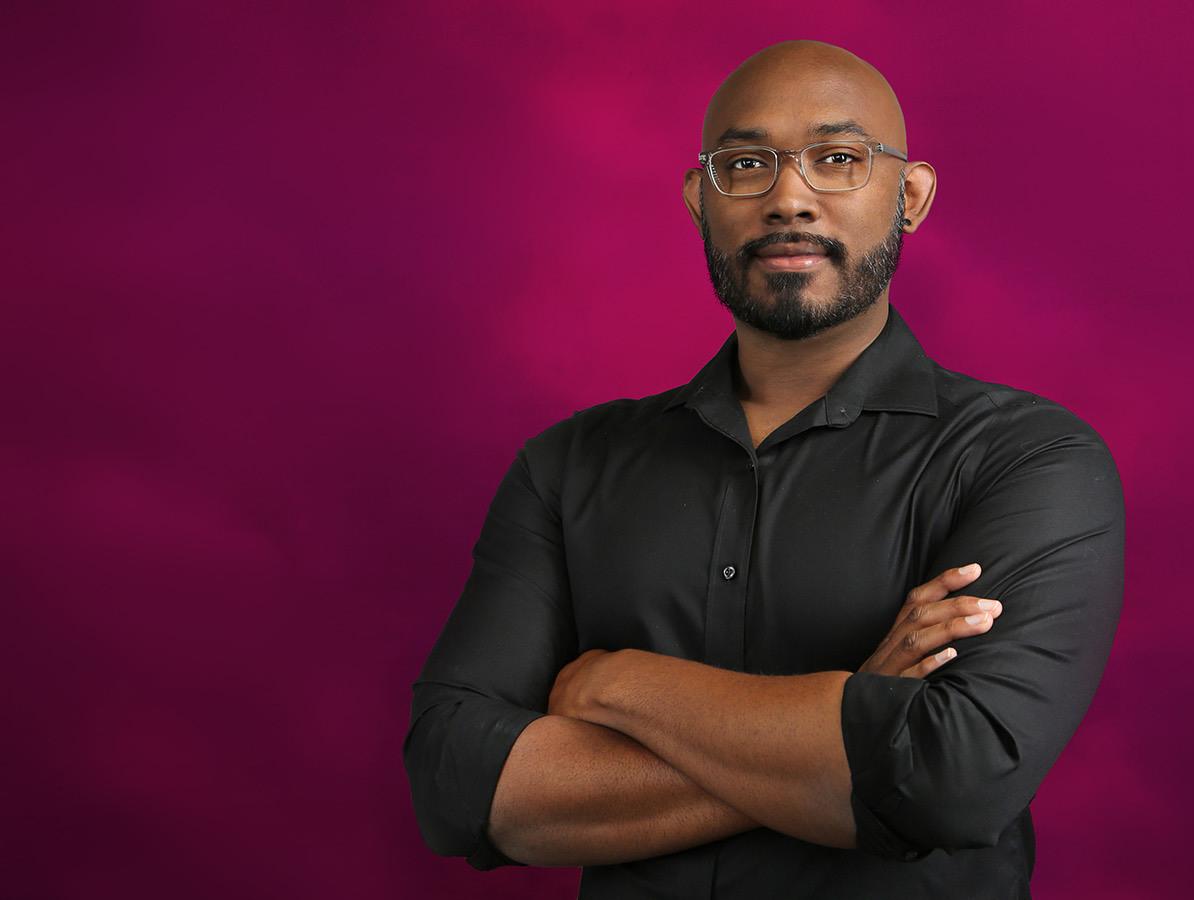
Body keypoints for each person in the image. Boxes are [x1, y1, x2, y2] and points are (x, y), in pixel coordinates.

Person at [402, 39, 1125, 899]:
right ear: (699, 200)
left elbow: (950, 781)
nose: (789, 198)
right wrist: (854, 714)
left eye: (838, 159)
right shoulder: (567, 467)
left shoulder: (1028, 459)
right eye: (746, 163)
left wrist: (618, 684)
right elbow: (456, 785)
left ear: (912, 196)